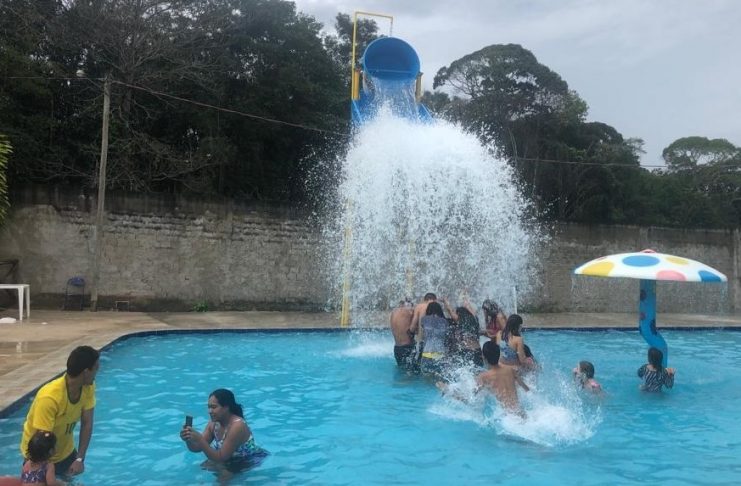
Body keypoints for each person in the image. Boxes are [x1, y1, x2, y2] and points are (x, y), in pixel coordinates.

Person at [19, 346, 99, 478]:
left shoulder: (88, 387)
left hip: (66, 452)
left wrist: (79, 459)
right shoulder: (49, 398)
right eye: (96, 368)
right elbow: (42, 442)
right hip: (38, 455)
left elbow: (87, 423)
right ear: (86, 372)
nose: (97, 371)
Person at [180, 389, 268, 471]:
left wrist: (199, 439)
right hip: (229, 458)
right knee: (203, 467)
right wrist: (188, 439)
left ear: (226, 407)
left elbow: (221, 458)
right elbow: (197, 448)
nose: (209, 411)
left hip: (248, 459)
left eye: (213, 407)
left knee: (223, 473)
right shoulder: (213, 424)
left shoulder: (237, 426)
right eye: (209, 407)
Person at [439, 341, 529, 417]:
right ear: (499, 355)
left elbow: (471, 399)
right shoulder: (510, 370)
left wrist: (450, 392)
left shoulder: (484, 377)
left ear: (484, 357)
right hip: (521, 413)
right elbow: (526, 389)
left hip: (508, 416)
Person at [443, 298, 483, 367]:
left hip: (466, 350)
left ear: (459, 314)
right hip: (477, 350)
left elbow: (450, 310)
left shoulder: (460, 320)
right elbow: (473, 312)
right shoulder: (475, 319)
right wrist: (467, 304)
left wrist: (445, 301)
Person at [418, 302, 450, 377]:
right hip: (440, 354)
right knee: (439, 378)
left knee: (427, 378)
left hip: (427, 353)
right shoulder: (445, 322)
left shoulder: (424, 319)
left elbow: (422, 331)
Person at [389, 299, 416, 370]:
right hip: (407, 347)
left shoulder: (393, 313)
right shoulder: (410, 311)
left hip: (397, 348)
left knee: (401, 370)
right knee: (410, 372)